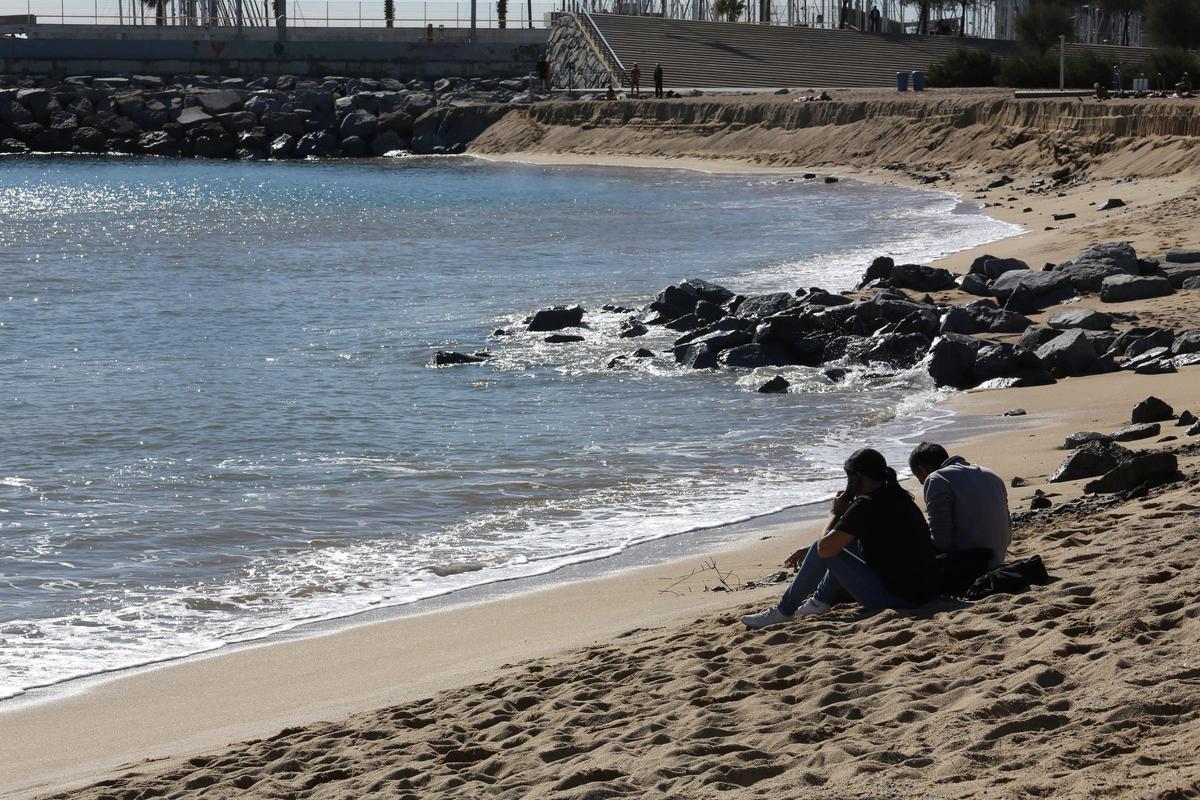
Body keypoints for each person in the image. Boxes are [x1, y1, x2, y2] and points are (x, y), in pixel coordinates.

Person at [741, 448, 939, 629]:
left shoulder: (864, 505)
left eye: (849, 478)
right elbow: (840, 541)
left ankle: (783, 611)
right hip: (923, 594)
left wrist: (835, 513)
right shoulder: (899, 496)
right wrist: (810, 548)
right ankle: (819, 601)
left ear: (857, 477)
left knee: (825, 548)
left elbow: (824, 549)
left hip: (896, 600)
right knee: (832, 544)